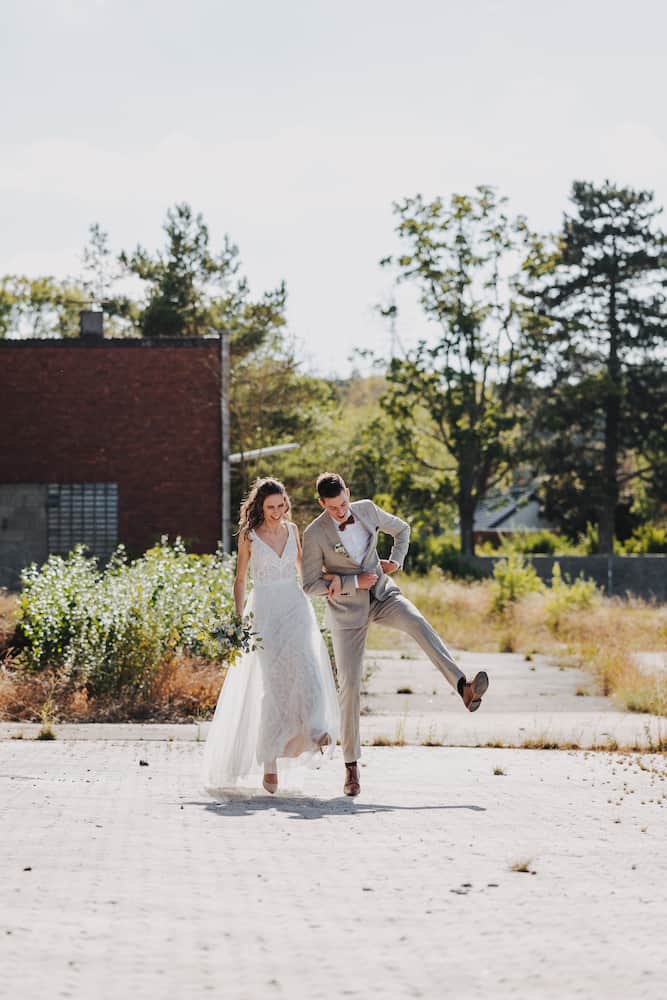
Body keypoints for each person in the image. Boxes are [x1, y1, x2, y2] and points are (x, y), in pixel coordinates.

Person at [302, 472, 489, 798]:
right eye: (333, 508)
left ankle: (464, 687)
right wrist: (352, 582)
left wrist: (396, 562)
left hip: (383, 595)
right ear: (322, 504)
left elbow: (403, 530)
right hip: (347, 612)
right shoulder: (314, 534)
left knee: (417, 622)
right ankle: (351, 767)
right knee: (350, 686)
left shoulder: (368, 510)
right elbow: (309, 584)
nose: (341, 512)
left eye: (343, 504)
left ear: (348, 492)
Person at [203, 477, 339, 795]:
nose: (277, 512)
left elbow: (305, 568)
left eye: (281, 505)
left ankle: (315, 728)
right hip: (264, 611)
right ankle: (269, 762)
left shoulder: (292, 530)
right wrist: (238, 620)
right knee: (274, 685)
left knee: (307, 667)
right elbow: (240, 580)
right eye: (270, 507)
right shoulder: (249, 536)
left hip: (295, 606)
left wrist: (335, 577)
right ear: (260, 508)